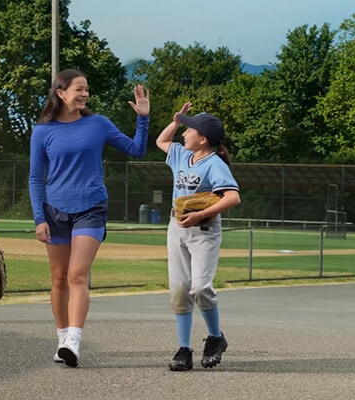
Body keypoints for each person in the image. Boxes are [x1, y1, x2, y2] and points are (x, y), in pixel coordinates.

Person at [28, 69, 151, 367]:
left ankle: (74, 340)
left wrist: (143, 118)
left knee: (77, 274)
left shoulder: (99, 124)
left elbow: (136, 150)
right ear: (61, 92)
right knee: (58, 279)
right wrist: (38, 218)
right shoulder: (42, 131)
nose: (84, 94)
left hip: (91, 208)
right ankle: (61, 338)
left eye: (86, 90)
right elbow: (35, 178)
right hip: (54, 211)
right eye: (78, 89)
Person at [154, 103, 241, 371]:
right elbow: (162, 140)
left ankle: (215, 338)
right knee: (180, 289)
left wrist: (203, 214)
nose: (184, 134)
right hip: (177, 226)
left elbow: (233, 197)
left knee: (201, 287)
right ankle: (184, 348)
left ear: (203, 139)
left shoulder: (214, 163)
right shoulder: (181, 154)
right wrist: (177, 120)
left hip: (203, 230)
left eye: (189, 129)